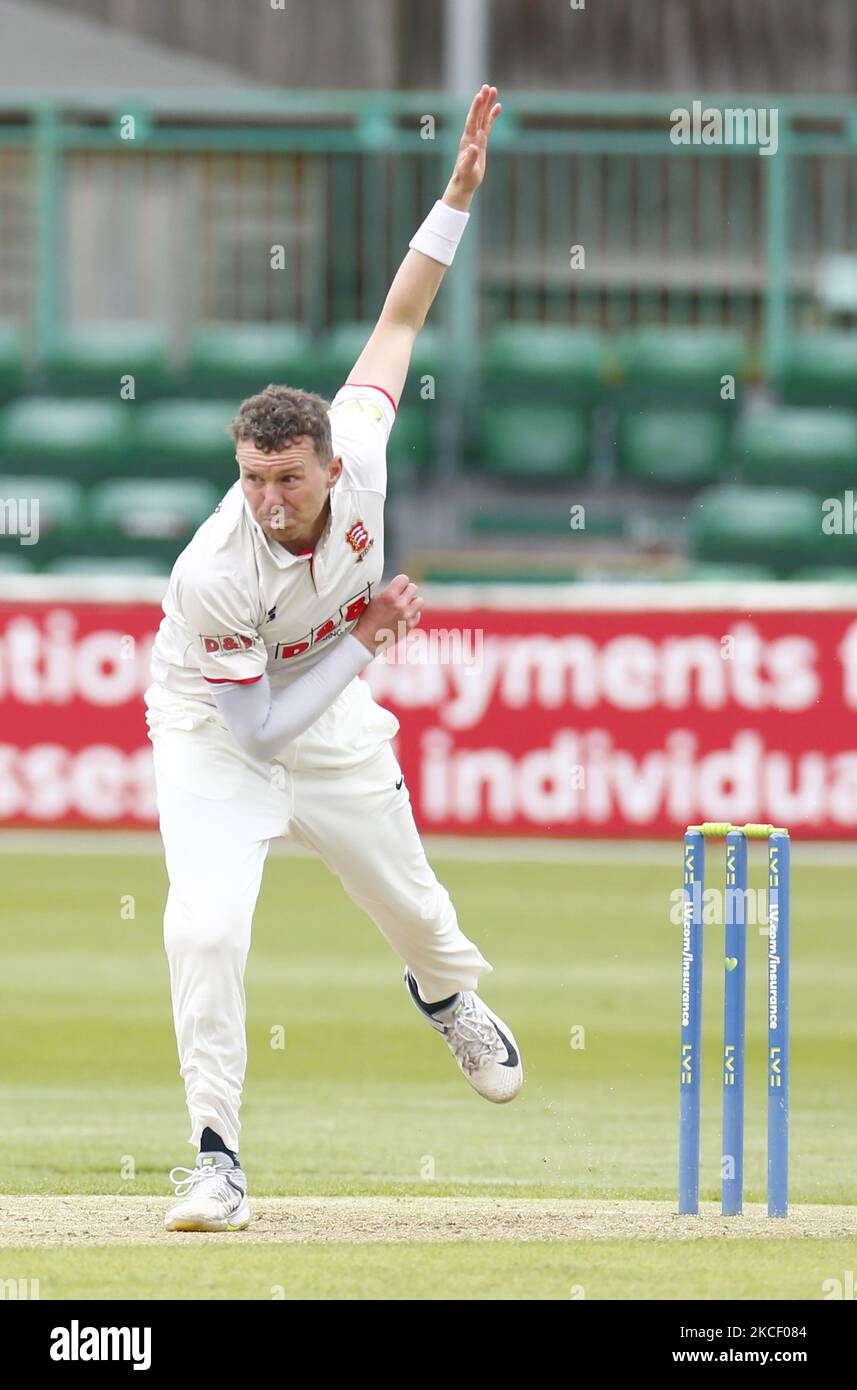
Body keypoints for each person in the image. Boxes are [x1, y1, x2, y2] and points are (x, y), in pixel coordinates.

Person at [144, 85, 523, 1234]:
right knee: (202, 925)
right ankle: (216, 1156)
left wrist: (452, 198)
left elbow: (398, 321)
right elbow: (256, 732)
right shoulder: (214, 567)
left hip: (335, 717)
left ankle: (444, 993)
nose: (267, 499)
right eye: (252, 478)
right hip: (219, 729)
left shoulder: (358, 446)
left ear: (325, 463)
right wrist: (361, 642)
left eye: (286, 479)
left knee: (419, 918)